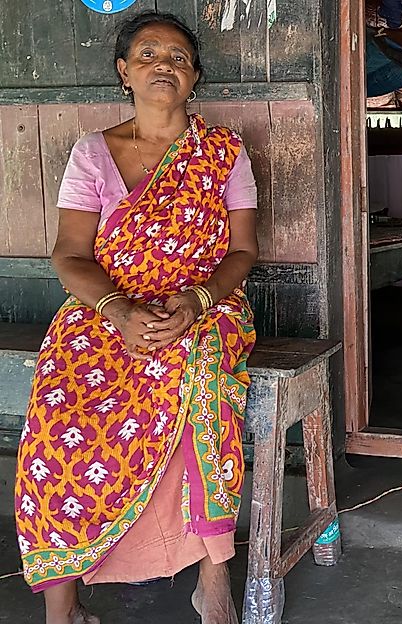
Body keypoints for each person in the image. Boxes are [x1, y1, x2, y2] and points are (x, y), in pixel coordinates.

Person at [14, 11, 259, 624]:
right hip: (102, 311)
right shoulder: (93, 154)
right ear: (124, 72)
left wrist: (200, 301)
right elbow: (70, 255)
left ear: (195, 76)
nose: (163, 65)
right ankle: (61, 608)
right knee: (56, 418)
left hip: (203, 306)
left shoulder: (223, 154)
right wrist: (118, 310)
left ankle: (213, 574)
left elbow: (243, 250)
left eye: (178, 57)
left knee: (203, 381)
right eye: (148, 54)